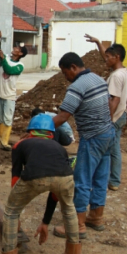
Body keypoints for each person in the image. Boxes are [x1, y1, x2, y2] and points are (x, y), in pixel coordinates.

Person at [0, 114, 81, 254]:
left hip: (33, 177)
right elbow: (55, 192)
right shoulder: (59, 148)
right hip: (65, 178)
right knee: (69, 210)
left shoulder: (21, 144)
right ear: (51, 133)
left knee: (11, 213)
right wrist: (45, 222)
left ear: (30, 131)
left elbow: (15, 177)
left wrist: (16, 208)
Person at [52, 52, 116, 239]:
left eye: (65, 73)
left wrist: (39, 127)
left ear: (73, 67)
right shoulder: (98, 79)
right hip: (108, 133)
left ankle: (77, 225)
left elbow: (64, 116)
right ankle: (96, 217)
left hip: (93, 137)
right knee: (100, 177)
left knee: (81, 180)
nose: (66, 78)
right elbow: (110, 104)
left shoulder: (77, 87)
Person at [85, 35, 127, 191]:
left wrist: (108, 122)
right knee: (113, 147)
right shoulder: (123, 71)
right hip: (122, 114)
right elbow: (106, 55)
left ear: (116, 57)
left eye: (109, 57)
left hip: (115, 116)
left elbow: (114, 100)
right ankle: (113, 179)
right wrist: (98, 42)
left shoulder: (116, 77)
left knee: (111, 149)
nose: (105, 59)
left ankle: (113, 180)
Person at [0, 31, 27, 150]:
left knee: (7, 118)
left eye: (17, 48)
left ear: (21, 53)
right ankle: (0, 139)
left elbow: (8, 70)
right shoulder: (6, 57)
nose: (15, 48)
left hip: (9, 95)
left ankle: (5, 140)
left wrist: (2, 58)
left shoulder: (20, 66)